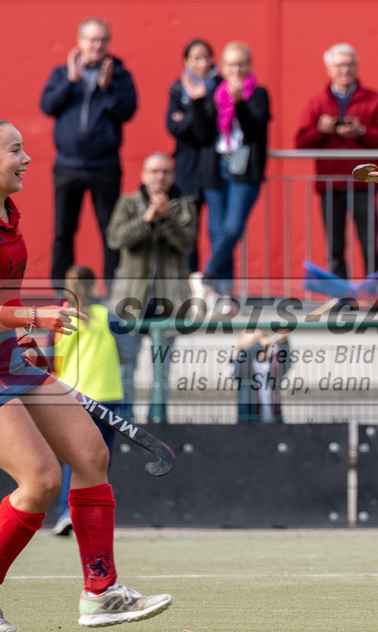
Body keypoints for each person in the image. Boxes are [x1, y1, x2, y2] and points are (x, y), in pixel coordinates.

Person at [0, 118, 170, 632]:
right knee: (40, 481)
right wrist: (32, 320)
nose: (27, 159)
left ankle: (100, 592)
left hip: (7, 358)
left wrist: (19, 339)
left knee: (91, 456)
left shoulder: (7, 212)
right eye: (15, 150)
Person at [41, 17, 138, 284]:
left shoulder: (120, 75)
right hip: (68, 165)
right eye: (92, 39)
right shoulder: (62, 73)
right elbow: (47, 106)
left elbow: (127, 111)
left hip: (104, 165)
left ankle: (113, 289)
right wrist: (71, 82)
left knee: (111, 231)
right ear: (80, 41)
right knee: (64, 231)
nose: (97, 45)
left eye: (102, 40)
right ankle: (62, 291)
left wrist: (107, 90)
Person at [294, 43, 378, 279]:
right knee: (335, 246)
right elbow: (300, 141)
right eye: (339, 65)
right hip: (330, 184)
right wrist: (321, 130)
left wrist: (361, 132)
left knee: (369, 243)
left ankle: (374, 296)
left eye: (350, 64)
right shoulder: (318, 102)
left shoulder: (373, 100)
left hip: (363, 182)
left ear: (357, 67)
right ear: (329, 69)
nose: (345, 70)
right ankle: (342, 299)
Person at [106, 152, 196, 422]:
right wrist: (147, 219)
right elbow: (115, 238)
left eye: (165, 172)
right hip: (132, 300)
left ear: (172, 176)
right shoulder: (128, 203)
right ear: (143, 176)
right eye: (154, 172)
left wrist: (167, 219)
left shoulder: (185, 206)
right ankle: (126, 420)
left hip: (169, 300)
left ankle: (159, 419)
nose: (160, 177)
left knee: (163, 368)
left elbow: (188, 244)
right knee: (126, 365)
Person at [188, 41, 270, 305]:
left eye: (241, 63)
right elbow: (202, 135)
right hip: (217, 166)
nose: (236, 69)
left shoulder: (258, 94)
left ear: (249, 65)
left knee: (233, 228)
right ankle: (223, 296)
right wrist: (198, 102)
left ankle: (206, 277)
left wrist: (239, 104)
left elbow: (254, 129)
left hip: (245, 167)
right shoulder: (215, 92)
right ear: (222, 67)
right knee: (216, 231)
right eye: (231, 64)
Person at [50, 265, 130, 536]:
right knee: (100, 460)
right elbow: (127, 351)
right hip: (107, 395)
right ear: (95, 285)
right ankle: (94, 516)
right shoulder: (106, 315)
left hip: (72, 397)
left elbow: (51, 361)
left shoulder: (58, 318)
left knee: (73, 460)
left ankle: (66, 514)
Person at [166, 38, 221, 272]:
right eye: (197, 58)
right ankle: (189, 284)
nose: (203, 63)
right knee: (188, 228)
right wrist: (197, 113)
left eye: (206, 57)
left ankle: (217, 283)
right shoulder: (178, 88)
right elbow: (172, 125)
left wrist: (188, 114)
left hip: (214, 165)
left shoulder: (220, 86)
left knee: (218, 229)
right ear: (187, 61)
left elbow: (210, 130)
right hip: (187, 168)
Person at [231, 330, 291, 423]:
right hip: (249, 420)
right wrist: (257, 346)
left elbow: (284, 363)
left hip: (273, 420)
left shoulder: (270, 363)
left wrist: (283, 343)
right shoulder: (242, 365)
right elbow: (239, 366)